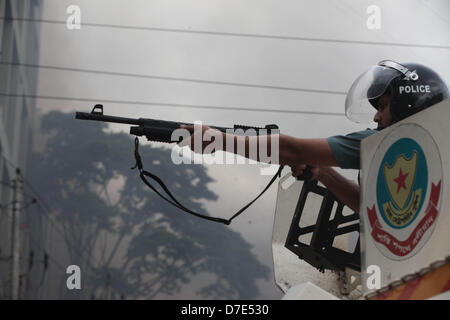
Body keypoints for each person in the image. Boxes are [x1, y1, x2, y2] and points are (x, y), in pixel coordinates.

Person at [180, 60, 449, 212]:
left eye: (383, 107)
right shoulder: (430, 155)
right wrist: (323, 173)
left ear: (409, 104)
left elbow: (293, 150)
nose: (376, 117)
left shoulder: (378, 144)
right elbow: (371, 211)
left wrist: (219, 140)